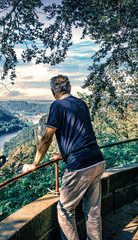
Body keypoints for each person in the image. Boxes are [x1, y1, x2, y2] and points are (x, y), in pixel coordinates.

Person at [23, 75, 105, 240]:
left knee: (65, 209)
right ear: (70, 88)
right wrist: (63, 154)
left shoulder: (57, 105)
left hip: (80, 165)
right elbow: (82, 135)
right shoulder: (81, 103)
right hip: (97, 159)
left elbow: (47, 138)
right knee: (93, 210)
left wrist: (34, 163)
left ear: (53, 91)